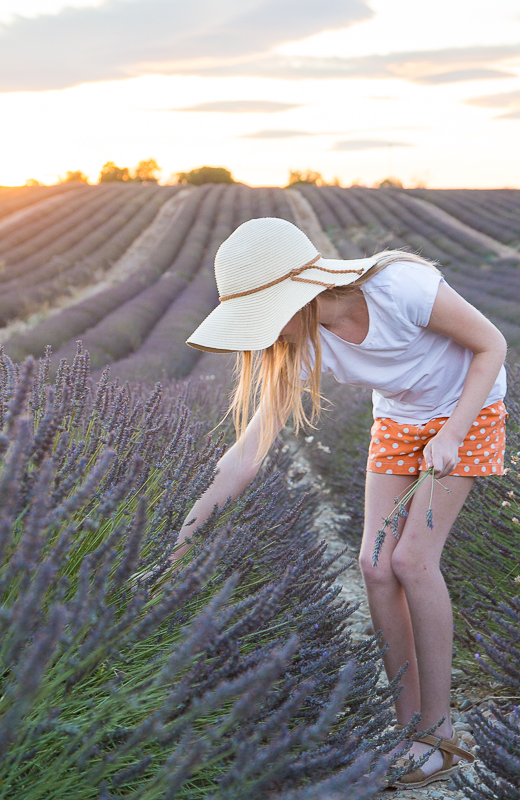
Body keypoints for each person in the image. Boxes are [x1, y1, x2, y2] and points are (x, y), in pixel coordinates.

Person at [177, 217, 507, 789]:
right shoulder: (303, 345)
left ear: (299, 292)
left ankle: (442, 733)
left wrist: (451, 433)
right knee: (374, 566)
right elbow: (246, 454)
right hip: (399, 422)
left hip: (468, 413)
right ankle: (411, 735)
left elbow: (492, 345)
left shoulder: (399, 286)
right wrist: (179, 546)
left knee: (411, 560)